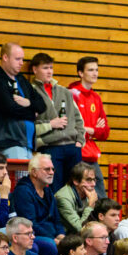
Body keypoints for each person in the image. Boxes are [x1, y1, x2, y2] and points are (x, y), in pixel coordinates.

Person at [28, 52, 85, 193]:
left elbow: (78, 118)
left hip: (72, 147)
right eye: (45, 68)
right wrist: (49, 127)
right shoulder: (30, 91)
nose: (49, 72)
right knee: (55, 189)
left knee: (76, 189)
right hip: (51, 147)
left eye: (51, 68)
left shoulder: (64, 91)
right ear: (35, 70)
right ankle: (56, 215)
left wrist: (79, 141)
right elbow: (28, 125)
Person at [0, 42, 46, 158]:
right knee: (18, 176)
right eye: (17, 59)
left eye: (22, 59)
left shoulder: (21, 80)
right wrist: (33, 112)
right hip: (8, 142)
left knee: (28, 176)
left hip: (27, 143)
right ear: (5, 57)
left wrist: (29, 103)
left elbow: (42, 105)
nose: (21, 63)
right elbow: (10, 109)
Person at [67, 56, 111, 197]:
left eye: (96, 70)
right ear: (81, 73)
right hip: (76, 152)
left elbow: (104, 132)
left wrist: (89, 130)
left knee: (100, 197)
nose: (95, 73)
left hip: (91, 155)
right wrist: (93, 130)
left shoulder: (96, 98)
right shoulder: (72, 94)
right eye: (90, 70)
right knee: (79, 196)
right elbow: (70, 127)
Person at [11, 154, 64, 255]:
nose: (52, 172)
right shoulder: (23, 191)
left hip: (51, 235)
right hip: (33, 234)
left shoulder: (48, 192)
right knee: (51, 246)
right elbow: (31, 224)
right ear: (34, 172)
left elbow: (57, 219)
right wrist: (54, 239)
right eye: (47, 169)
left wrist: (61, 235)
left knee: (74, 245)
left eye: (52, 169)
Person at [56, 162, 98, 235]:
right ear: (75, 181)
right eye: (88, 180)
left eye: (94, 180)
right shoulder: (63, 198)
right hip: (67, 237)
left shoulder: (88, 193)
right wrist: (90, 205)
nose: (93, 184)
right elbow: (80, 228)